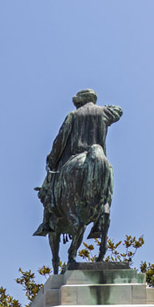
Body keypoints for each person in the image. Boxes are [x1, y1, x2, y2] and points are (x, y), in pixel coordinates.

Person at [34, 90, 123, 237]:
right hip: (100, 156)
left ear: (80, 101)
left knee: (49, 185)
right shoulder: (104, 112)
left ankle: (47, 219)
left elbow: (61, 140)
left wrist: (52, 159)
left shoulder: (73, 115)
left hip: (74, 155)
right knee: (108, 180)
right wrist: (101, 108)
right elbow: (119, 110)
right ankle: (102, 215)